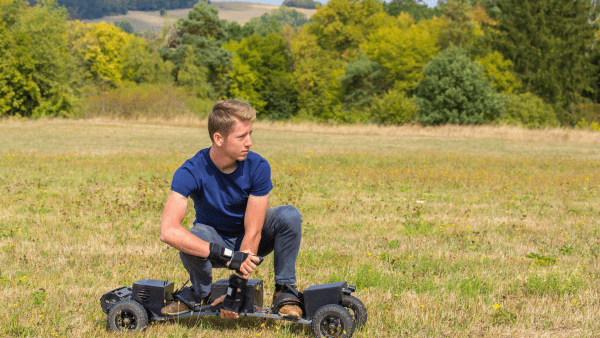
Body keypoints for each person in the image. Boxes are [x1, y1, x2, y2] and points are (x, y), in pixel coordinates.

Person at [159, 100, 303, 319]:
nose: (250, 142)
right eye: (241, 136)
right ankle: (201, 294)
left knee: (288, 215)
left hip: (248, 239)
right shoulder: (190, 170)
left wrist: (235, 290)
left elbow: (253, 230)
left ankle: (285, 291)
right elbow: (168, 231)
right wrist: (227, 256)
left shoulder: (258, 166)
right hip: (213, 242)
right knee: (192, 236)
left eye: (250, 134)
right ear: (219, 138)